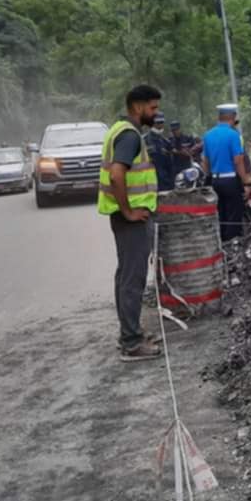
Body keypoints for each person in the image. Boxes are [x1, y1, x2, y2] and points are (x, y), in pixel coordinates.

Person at [98, 84, 163, 362]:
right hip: (132, 219)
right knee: (132, 278)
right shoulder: (129, 136)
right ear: (137, 107)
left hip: (125, 218)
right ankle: (132, 343)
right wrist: (128, 212)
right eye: (152, 107)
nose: (155, 112)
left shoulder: (119, 130)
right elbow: (116, 175)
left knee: (125, 274)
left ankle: (130, 332)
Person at [201, 103, 251, 241]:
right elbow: (238, 161)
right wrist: (245, 180)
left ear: (219, 117)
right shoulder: (233, 135)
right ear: (232, 117)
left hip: (214, 180)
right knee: (234, 212)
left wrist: (208, 179)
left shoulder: (208, 135)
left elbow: (205, 162)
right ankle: (233, 242)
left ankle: (221, 242)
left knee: (220, 212)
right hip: (230, 180)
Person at [145, 111, 175, 191]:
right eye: (157, 122)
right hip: (149, 184)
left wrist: (172, 184)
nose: (160, 125)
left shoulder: (166, 142)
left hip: (164, 184)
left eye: (161, 122)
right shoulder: (144, 141)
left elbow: (170, 166)